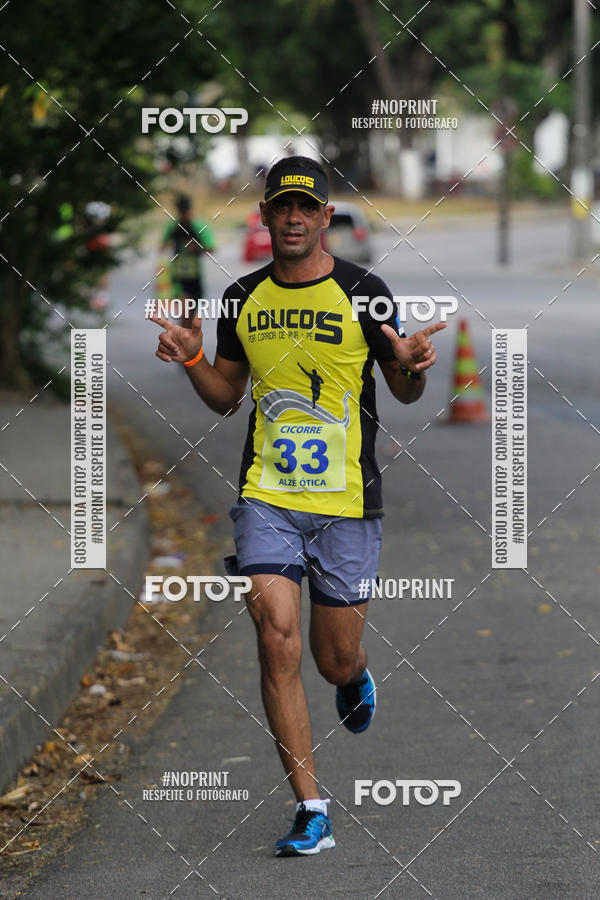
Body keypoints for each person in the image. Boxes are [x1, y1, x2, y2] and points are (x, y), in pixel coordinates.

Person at [150, 156, 445, 857]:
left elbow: (404, 390)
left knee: (331, 660)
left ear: (324, 217)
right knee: (274, 636)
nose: (292, 218)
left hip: (347, 502)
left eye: (305, 208)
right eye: (281, 206)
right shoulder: (242, 298)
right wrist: (192, 359)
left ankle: (353, 675)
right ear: (264, 216)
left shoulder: (365, 293)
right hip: (268, 497)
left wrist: (409, 366)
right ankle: (312, 809)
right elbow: (227, 398)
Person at [161, 194, 216, 328]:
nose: (183, 214)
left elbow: (211, 247)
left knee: (191, 315)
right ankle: (181, 338)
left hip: (195, 276)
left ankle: (186, 338)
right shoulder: (173, 226)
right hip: (178, 276)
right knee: (185, 310)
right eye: (181, 211)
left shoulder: (198, 226)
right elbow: (162, 246)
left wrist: (196, 248)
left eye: (185, 211)